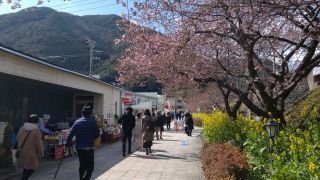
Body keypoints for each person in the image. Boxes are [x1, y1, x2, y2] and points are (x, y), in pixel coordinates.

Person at [66, 106, 100, 180]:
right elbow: (97, 134)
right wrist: (92, 138)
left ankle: (81, 178)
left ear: (82, 114)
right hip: (89, 147)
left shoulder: (77, 122)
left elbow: (70, 134)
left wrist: (67, 144)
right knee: (90, 166)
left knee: (82, 163)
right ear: (90, 114)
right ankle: (86, 178)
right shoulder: (92, 122)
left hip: (79, 147)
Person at [17, 114, 44, 180]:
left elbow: (18, 138)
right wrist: (40, 153)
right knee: (31, 169)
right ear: (36, 122)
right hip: (31, 154)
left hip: (22, 152)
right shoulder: (36, 130)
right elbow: (38, 144)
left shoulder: (21, 128)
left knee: (25, 169)